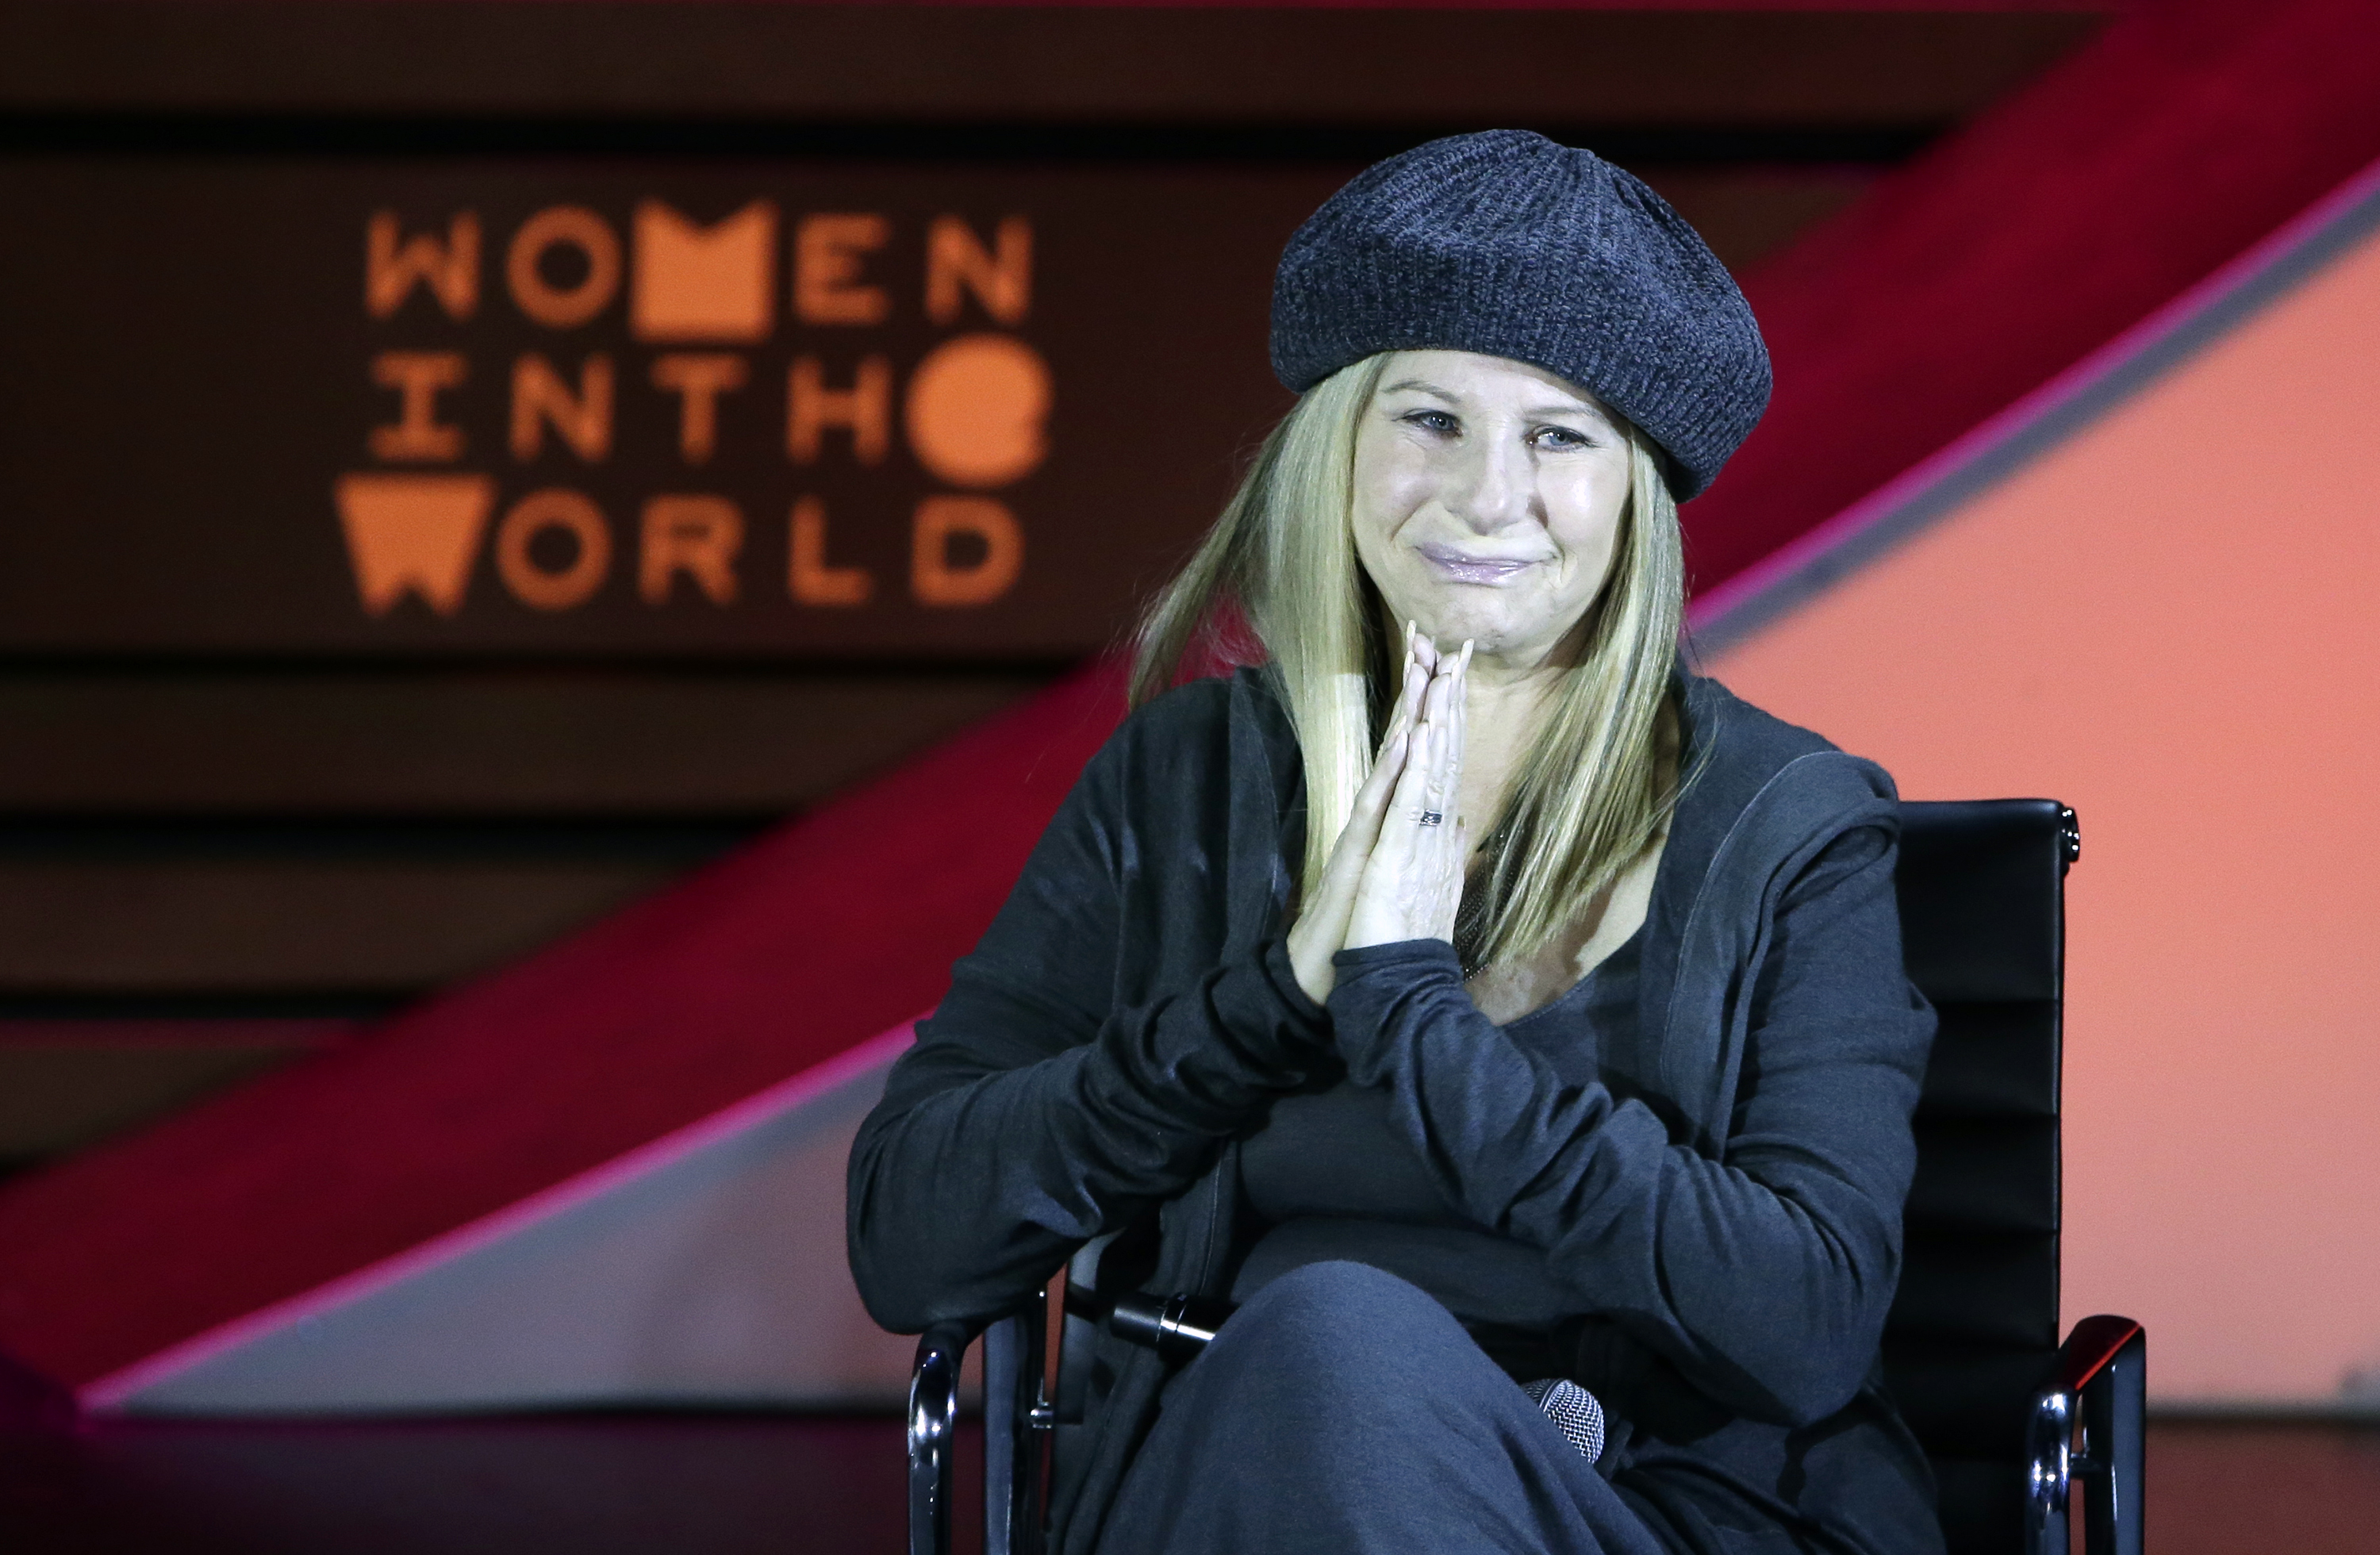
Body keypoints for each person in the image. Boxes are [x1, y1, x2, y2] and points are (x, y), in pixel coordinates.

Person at [847, 129, 1941, 1555]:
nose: (1488, 495)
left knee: (1342, 1348)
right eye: (1430, 419)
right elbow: (908, 1242)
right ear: (1338, 450)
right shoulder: (1184, 781)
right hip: (1234, 1486)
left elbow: (1802, 1328)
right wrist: (1271, 1003)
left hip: (1638, 1509)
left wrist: (1409, 1002)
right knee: (1319, 1355)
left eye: (1560, 436)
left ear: (1636, 497)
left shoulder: (1786, 822)